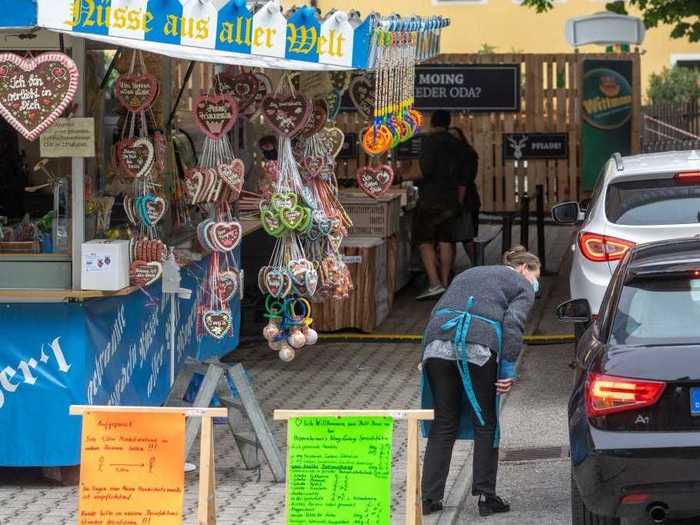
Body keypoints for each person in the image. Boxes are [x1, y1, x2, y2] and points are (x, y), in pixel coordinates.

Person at [420, 246, 541, 517]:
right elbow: (513, 325)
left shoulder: (470, 272)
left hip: (437, 345)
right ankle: (487, 498)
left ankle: (428, 499)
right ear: (523, 268)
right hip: (478, 347)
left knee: (443, 423)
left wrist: (425, 354)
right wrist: (507, 370)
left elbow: (439, 310)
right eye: (536, 275)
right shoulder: (521, 283)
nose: (536, 282)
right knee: (486, 424)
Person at [413, 110, 465, 300]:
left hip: (430, 199)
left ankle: (434, 283)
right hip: (450, 198)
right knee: (445, 240)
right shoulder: (457, 144)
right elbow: (462, 175)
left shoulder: (429, 141)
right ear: (448, 123)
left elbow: (425, 170)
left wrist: (403, 177)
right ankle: (445, 283)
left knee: (424, 240)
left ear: (432, 123)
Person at [448, 127, 481, 263]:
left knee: (466, 237)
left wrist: (459, 203)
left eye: (455, 136)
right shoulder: (458, 154)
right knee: (451, 238)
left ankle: (477, 265)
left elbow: (464, 181)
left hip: (465, 202)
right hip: (459, 200)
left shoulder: (466, 154)